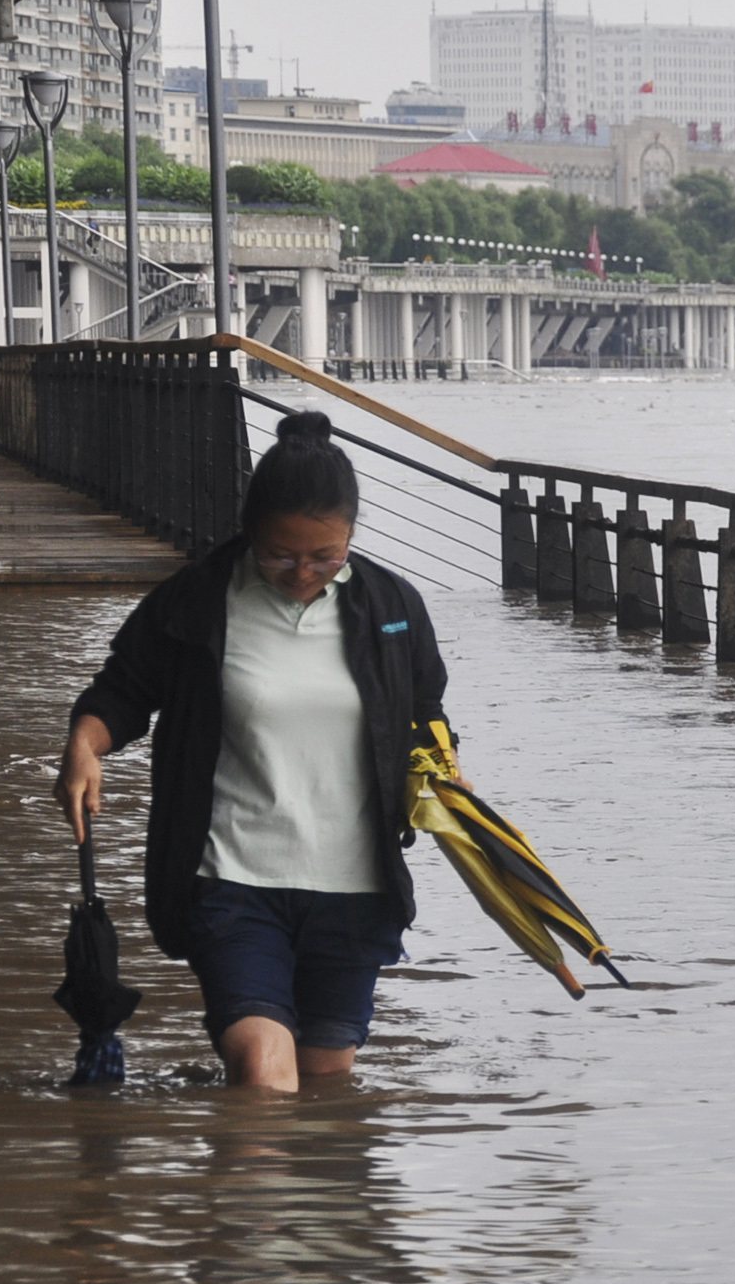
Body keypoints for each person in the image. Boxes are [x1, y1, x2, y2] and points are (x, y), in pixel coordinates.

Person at [57, 411, 455, 1093]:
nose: (303, 572)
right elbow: (122, 690)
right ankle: (245, 1197)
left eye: (326, 556)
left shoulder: (392, 608)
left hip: (356, 891)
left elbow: (426, 717)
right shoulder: (199, 602)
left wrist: (447, 779)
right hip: (232, 882)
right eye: (281, 555)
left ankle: (270, 1202)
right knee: (264, 1071)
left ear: (352, 535)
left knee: (327, 1090)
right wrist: (84, 745)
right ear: (250, 531)